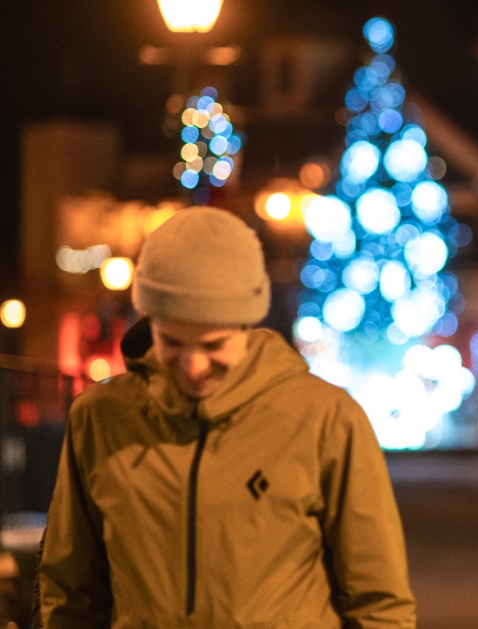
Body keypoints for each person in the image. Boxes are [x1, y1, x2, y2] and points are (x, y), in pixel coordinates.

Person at [37, 207, 416, 627]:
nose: (193, 365)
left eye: (213, 345)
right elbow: (71, 592)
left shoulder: (327, 421)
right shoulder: (100, 420)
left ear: (248, 324)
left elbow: (379, 604)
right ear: (149, 322)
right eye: (173, 342)